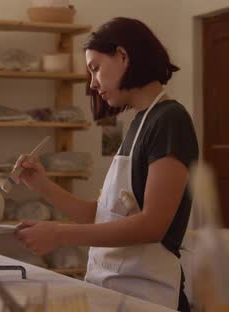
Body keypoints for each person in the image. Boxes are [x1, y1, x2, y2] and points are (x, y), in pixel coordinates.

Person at [13, 17, 198, 311]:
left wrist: (59, 234)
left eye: (95, 68)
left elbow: (153, 225)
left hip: (150, 298)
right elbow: (102, 216)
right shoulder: (141, 122)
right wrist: (43, 186)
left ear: (123, 56)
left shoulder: (170, 120)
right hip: (116, 291)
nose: (93, 83)